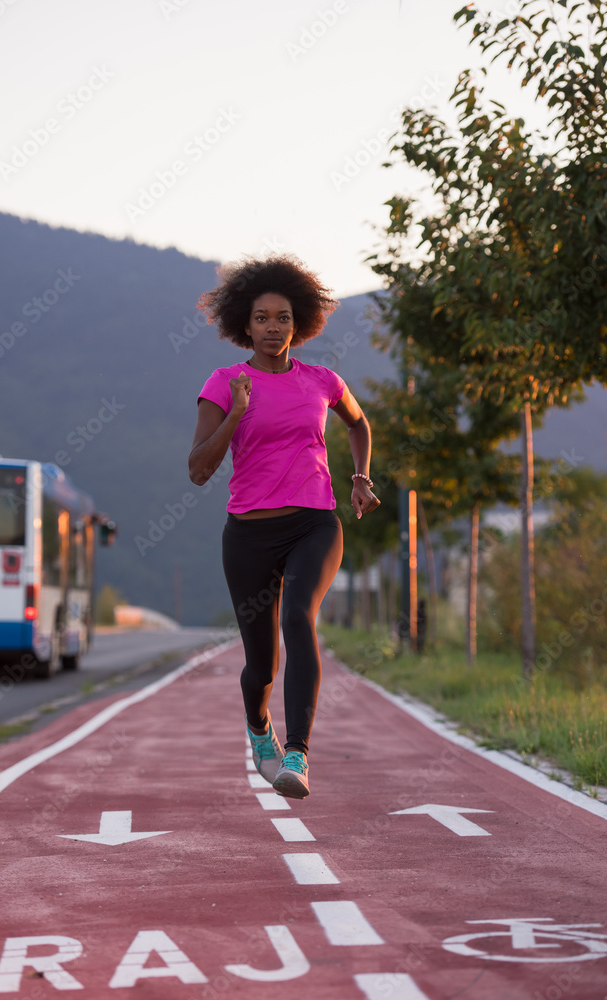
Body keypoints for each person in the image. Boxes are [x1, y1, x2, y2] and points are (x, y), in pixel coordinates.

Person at [188, 254, 380, 799]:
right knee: (262, 664)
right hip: (248, 533)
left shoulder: (322, 380)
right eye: (263, 318)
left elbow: (359, 421)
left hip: (315, 523)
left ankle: (297, 753)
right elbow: (199, 470)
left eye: (283, 318)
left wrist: (360, 475)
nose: (274, 328)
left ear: (300, 324)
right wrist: (235, 413)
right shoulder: (225, 382)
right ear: (243, 325)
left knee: (299, 617)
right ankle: (259, 727)